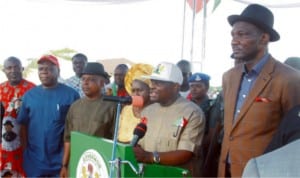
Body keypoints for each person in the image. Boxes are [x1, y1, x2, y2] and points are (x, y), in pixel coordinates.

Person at [218, 4, 300, 177]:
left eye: (242, 34)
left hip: (265, 172)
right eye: (233, 35)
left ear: (263, 38)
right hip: (226, 171)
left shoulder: (289, 79)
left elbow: (294, 137)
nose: (234, 40)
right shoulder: (228, 77)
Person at [133, 62, 205, 177]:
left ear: (176, 87)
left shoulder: (192, 112)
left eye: (158, 83)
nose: (152, 86)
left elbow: (186, 153)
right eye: (152, 81)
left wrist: (149, 157)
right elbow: (140, 144)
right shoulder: (147, 111)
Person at [16, 55, 79, 177]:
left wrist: (67, 161)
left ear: (58, 71)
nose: (44, 71)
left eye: (49, 68)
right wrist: (26, 150)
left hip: (61, 160)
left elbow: (75, 129)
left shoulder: (71, 95)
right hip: (34, 160)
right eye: (41, 69)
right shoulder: (29, 96)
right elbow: (23, 125)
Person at [60, 62, 117, 178]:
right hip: (76, 163)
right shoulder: (75, 106)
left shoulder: (112, 106)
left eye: (91, 79)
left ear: (102, 83)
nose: (85, 83)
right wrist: (65, 165)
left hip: (100, 166)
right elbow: (68, 139)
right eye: (83, 79)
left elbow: (115, 142)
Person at [0, 56, 35, 177]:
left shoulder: (32, 89)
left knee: (25, 170)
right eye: (9, 68)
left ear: (22, 69)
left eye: (16, 67)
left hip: (27, 140)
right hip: (4, 143)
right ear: (4, 70)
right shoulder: (0, 88)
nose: (13, 70)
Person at [118, 63, 153, 143]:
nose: (136, 94)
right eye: (133, 91)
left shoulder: (156, 111)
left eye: (140, 90)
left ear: (150, 90)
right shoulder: (126, 110)